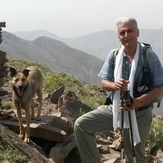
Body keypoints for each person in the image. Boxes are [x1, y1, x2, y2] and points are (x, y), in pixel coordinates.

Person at [74, 17, 163, 163]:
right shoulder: (114, 55)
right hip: (115, 109)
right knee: (81, 125)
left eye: (130, 31)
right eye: (122, 33)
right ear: (118, 37)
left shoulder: (148, 56)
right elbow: (104, 82)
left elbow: (159, 87)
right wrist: (115, 85)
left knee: (134, 156)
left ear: (137, 32)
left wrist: (137, 102)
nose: (126, 35)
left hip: (140, 113)